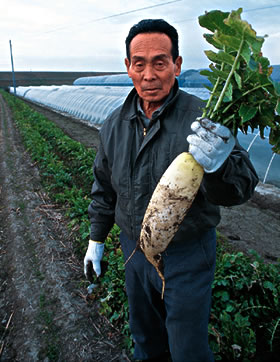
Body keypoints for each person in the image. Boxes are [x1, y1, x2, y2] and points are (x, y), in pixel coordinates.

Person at [84, 19, 259, 362]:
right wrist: (96, 239)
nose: (149, 75)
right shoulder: (114, 125)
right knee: (145, 338)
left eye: (160, 62)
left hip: (187, 255)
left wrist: (221, 165)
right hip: (134, 250)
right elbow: (104, 187)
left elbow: (241, 188)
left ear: (177, 65)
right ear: (128, 68)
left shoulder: (204, 119)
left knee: (187, 349)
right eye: (140, 64)